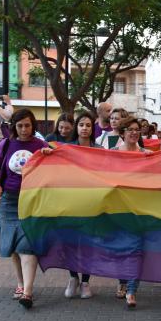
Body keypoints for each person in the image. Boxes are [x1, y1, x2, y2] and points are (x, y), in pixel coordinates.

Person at [0, 109, 51, 309]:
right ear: (14, 126)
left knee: (27, 246)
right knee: (13, 247)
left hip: (32, 201)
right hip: (8, 201)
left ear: (33, 126)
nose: (24, 129)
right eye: (20, 125)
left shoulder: (41, 146)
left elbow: (56, 168)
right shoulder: (6, 144)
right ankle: (20, 283)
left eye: (28, 125)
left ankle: (28, 292)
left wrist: (51, 155)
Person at [110, 117, 153, 308]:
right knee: (120, 249)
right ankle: (122, 281)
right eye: (130, 129)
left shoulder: (147, 154)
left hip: (140, 210)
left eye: (137, 130)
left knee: (137, 250)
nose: (134, 133)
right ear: (122, 133)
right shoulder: (112, 154)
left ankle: (132, 290)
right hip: (117, 209)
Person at [63, 111, 100, 299]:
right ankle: (72, 278)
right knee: (70, 242)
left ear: (93, 128)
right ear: (76, 127)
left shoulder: (99, 149)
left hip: (92, 204)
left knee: (87, 244)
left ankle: (85, 282)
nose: (85, 128)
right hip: (71, 203)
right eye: (81, 125)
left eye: (88, 125)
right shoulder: (67, 148)